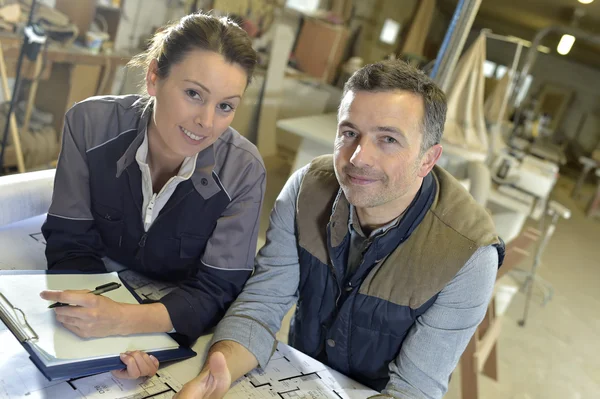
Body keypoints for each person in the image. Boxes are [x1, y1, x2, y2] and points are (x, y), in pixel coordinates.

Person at [167, 60, 503, 399]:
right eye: (349, 133)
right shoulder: (306, 191)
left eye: (387, 139)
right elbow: (260, 306)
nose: (358, 157)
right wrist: (216, 375)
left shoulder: (468, 255)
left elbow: (413, 389)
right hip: (301, 377)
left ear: (428, 160)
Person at [39, 13, 265, 378]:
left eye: (225, 106)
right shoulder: (89, 125)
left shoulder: (243, 171)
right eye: (194, 94)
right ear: (154, 77)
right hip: (105, 285)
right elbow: (70, 242)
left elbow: (217, 289)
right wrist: (100, 321)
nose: (207, 122)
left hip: (171, 313)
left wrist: (127, 322)